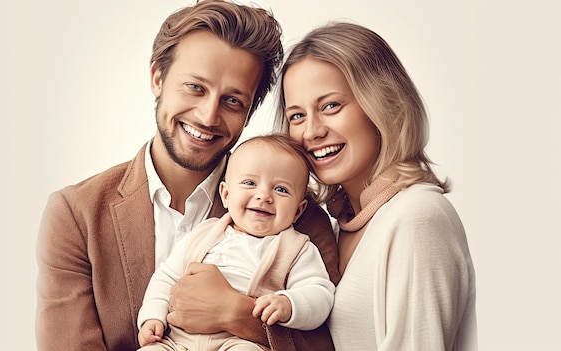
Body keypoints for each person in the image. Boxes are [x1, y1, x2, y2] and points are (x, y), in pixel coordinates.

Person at [36, 1, 340, 350]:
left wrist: (234, 313)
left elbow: (328, 343)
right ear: (157, 79)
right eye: (195, 87)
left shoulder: (296, 216)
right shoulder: (75, 214)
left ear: (249, 112)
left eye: (233, 101)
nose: (208, 116)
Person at [274, 21, 477, 350]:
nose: (311, 131)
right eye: (297, 115)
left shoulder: (417, 216)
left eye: (330, 106)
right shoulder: (337, 224)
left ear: (383, 103)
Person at [137, 134, 335, 350]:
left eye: (281, 189)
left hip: (239, 341)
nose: (264, 195)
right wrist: (152, 317)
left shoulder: (297, 249)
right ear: (226, 194)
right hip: (178, 340)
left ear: (298, 210)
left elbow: (320, 294)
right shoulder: (203, 233)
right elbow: (166, 277)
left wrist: (290, 304)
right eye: (250, 183)